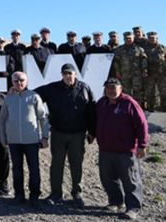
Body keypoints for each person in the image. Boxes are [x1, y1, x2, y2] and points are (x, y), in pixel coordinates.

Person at [35, 63, 96, 207]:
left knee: (76, 164)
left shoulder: (85, 88)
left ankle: (77, 193)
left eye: (70, 73)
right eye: (65, 73)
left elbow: (92, 110)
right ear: (62, 75)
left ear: (75, 74)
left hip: (78, 133)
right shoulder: (52, 88)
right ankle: (56, 194)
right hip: (58, 133)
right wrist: (17, 90)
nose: (68, 76)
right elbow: (33, 95)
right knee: (56, 164)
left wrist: (92, 131)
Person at [96, 78, 149, 220]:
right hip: (106, 149)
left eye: (114, 88)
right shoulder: (102, 103)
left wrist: (142, 145)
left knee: (130, 179)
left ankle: (133, 207)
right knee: (108, 177)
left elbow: (142, 124)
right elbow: (96, 121)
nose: (110, 90)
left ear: (121, 88)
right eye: (108, 88)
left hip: (126, 150)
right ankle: (115, 202)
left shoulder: (129, 103)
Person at [0, 72, 49, 208]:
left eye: (21, 80)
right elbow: (2, 119)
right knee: (17, 169)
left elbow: (43, 118)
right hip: (14, 141)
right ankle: (19, 195)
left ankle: (34, 196)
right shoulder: (8, 99)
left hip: (31, 141)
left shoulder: (34, 96)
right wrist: (3, 137)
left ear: (26, 81)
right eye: (15, 81)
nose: (18, 83)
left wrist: (45, 136)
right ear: (12, 82)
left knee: (34, 169)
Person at [115, 32, 148, 107]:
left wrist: (144, 70)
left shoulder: (139, 49)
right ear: (124, 39)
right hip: (124, 74)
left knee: (138, 92)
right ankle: (126, 107)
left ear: (133, 38)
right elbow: (116, 62)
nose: (128, 40)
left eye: (130, 38)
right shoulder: (119, 50)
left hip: (136, 74)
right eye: (126, 38)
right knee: (125, 92)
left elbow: (144, 60)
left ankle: (138, 107)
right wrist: (117, 72)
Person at [144, 31, 165, 112]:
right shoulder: (145, 49)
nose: (151, 39)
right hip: (150, 73)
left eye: (153, 38)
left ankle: (163, 107)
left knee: (163, 91)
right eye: (149, 38)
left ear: (157, 38)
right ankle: (151, 108)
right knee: (150, 92)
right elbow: (143, 60)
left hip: (161, 73)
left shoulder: (163, 47)